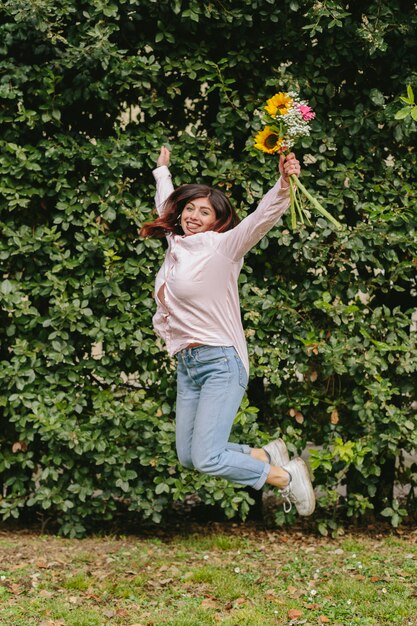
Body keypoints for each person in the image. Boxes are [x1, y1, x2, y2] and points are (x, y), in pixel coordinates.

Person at [140, 146, 315, 516]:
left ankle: (285, 476)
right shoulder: (177, 245)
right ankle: (266, 454)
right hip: (188, 364)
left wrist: (284, 183)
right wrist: (162, 172)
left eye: (204, 212)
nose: (193, 216)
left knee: (208, 457)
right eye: (190, 208)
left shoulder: (224, 247)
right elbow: (165, 206)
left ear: (217, 221)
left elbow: (260, 218)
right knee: (189, 456)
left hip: (220, 361)